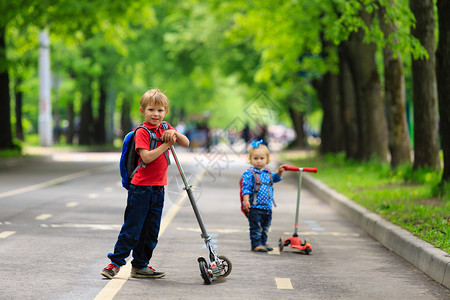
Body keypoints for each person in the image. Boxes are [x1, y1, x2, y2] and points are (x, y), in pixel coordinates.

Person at [101, 89, 190, 279]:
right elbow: (147, 157)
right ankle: (114, 263)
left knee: (151, 231)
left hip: (158, 189)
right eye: (151, 110)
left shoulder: (165, 127)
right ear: (143, 111)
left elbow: (186, 142)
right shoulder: (142, 132)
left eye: (160, 110)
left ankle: (140, 265)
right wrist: (166, 144)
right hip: (141, 188)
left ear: (165, 111)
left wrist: (173, 133)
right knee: (133, 228)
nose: (155, 114)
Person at [241, 140, 285, 252]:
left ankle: (263, 243)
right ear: (250, 159)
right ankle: (256, 244)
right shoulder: (249, 173)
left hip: (267, 206)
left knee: (265, 228)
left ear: (267, 159)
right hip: (255, 206)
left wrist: (279, 172)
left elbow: (275, 178)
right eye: (255, 158)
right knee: (256, 227)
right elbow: (246, 188)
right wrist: (246, 201)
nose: (259, 161)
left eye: (262, 158)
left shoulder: (268, 173)